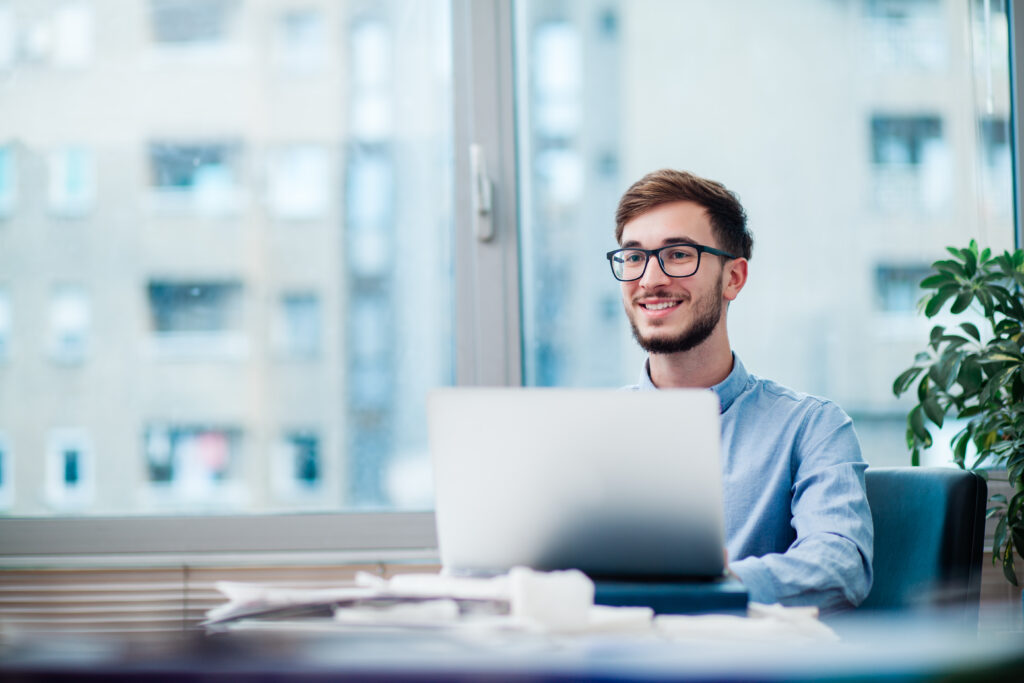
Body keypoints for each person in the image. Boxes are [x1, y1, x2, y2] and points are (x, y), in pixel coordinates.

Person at [608, 168, 872, 613]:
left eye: (677, 255)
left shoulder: (812, 426)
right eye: (634, 258)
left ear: (734, 278)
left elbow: (841, 567)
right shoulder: (591, 430)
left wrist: (709, 584)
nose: (649, 279)